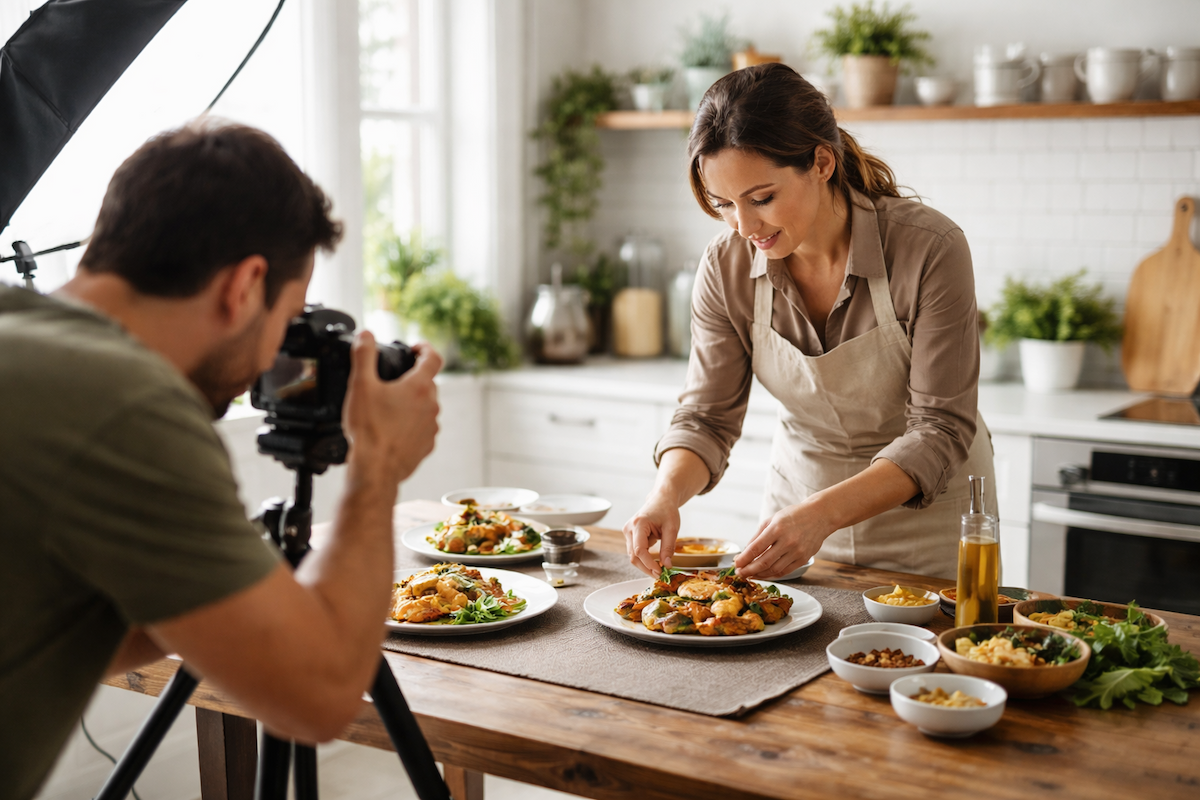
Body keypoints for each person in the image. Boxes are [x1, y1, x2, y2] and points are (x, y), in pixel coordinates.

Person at [0, 121, 443, 800]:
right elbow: (319, 698)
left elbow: (76, 623)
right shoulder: (124, 404)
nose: (275, 363)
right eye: (287, 319)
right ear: (245, 286)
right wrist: (377, 467)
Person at [624, 63, 995, 583]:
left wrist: (822, 515)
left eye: (762, 199)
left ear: (821, 162)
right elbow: (707, 418)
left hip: (927, 522)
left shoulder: (928, 248)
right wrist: (663, 496)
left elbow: (939, 428)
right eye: (724, 204)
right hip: (795, 514)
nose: (745, 227)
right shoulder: (726, 266)